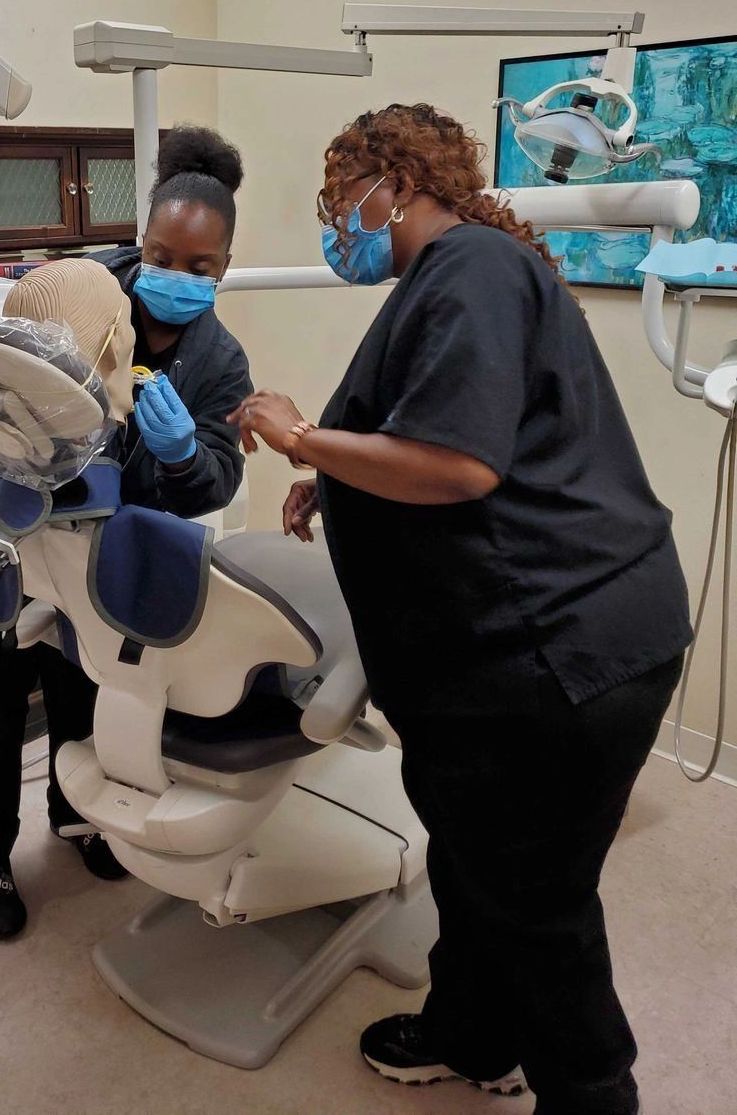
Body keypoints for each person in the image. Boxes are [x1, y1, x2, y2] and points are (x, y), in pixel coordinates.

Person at [228, 103, 691, 1115]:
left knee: (536, 905)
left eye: (339, 198)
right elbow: (436, 433)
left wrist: (299, 435)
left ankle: (594, 1096)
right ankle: (471, 1035)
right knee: (477, 858)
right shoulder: (461, 275)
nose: (335, 220)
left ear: (394, 184)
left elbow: (458, 462)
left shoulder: (471, 269)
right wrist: (341, 477)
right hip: (566, 638)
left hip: (552, 654)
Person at [0, 126, 253, 939]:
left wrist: (184, 455)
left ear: (225, 265)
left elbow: (217, 476)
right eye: (161, 254)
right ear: (139, 241)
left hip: (98, 553)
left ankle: (77, 821)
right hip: (10, 528)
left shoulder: (220, 362)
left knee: (86, 692)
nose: (178, 276)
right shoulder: (78, 290)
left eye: (201, 266)